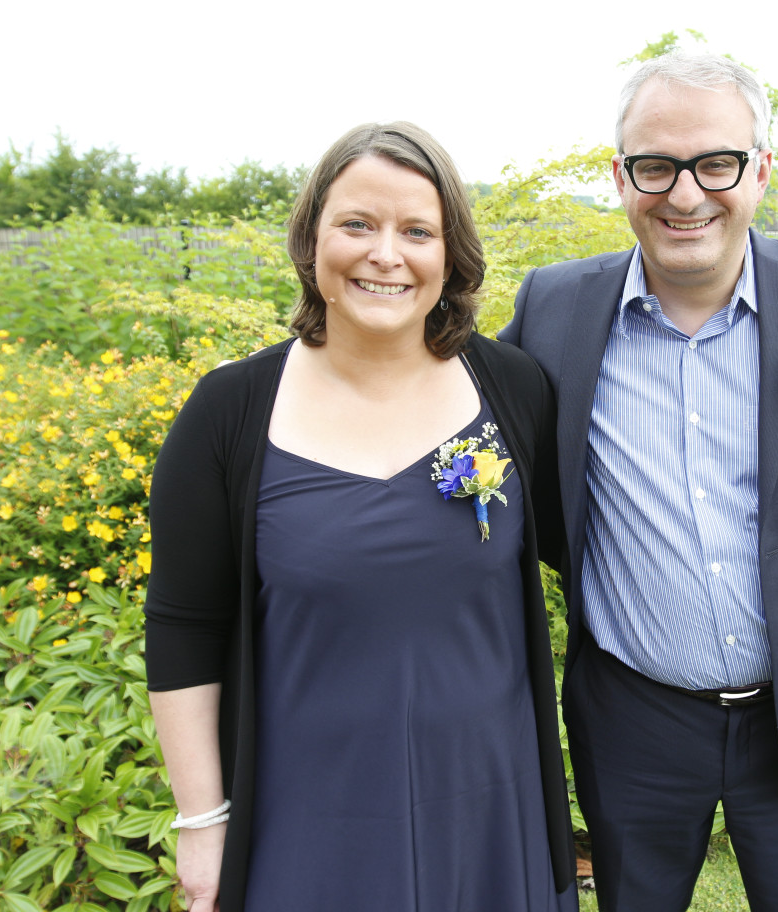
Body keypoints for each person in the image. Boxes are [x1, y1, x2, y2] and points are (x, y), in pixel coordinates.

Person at [499, 53, 778, 912]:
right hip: (633, 713)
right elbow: (490, 450)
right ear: (620, 175)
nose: (686, 194)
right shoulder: (553, 308)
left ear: (762, 170)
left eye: (717, 163)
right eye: (655, 166)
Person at [144, 122, 576, 912]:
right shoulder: (230, 412)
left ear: (451, 256)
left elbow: (585, 558)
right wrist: (202, 821)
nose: (387, 254)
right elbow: (182, 624)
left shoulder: (514, 392)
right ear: (312, 240)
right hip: (307, 809)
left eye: (417, 230)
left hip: (485, 803)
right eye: (357, 224)